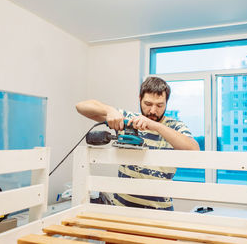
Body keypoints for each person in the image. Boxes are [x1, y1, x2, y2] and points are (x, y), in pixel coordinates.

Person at [76, 77, 199, 210]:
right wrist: (109, 111)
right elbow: (81, 106)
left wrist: (156, 126)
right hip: (122, 207)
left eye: (159, 105)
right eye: (148, 104)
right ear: (139, 98)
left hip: (160, 210)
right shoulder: (128, 119)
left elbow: (194, 150)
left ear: (166, 103)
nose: (153, 111)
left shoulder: (175, 126)